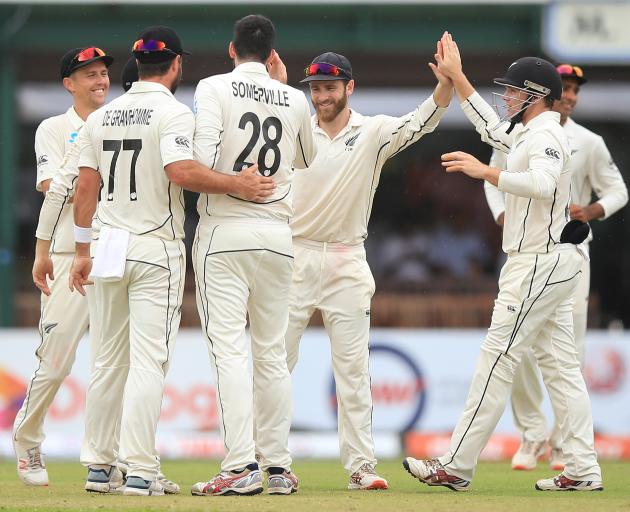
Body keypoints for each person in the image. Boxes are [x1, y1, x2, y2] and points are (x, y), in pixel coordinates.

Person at [69, 25, 275, 497]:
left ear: (137, 64)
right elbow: (181, 172)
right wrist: (236, 184)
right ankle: (140, 468)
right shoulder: (174, 113)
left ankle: (100, 466)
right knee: (147, 362)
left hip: (107, 243)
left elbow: (85, 188)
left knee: (106, 360)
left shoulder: (102, 115)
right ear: (177, 64)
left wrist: (82, 250)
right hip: (154, 246)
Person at [403, 32, 603, 492]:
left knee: (497, 359)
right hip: (546, 262)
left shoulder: (549, 133)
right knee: (560, 368)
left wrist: (487, 171)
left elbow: (543, 183)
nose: (507, 97)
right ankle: (584, 468)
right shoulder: (529, 130)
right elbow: (492, 129)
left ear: (535, 96)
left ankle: (455, 466)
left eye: (514, 91)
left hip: (539, 263)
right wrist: (458, 79)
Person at [269, 46, 451, 490]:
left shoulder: (372, 132)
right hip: (294, 255)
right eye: (314, 88)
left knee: (352, 371)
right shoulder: (295, 128)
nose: (321, 96)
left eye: (330, 87)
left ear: (349, 87)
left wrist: (446, 85)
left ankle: (361, 467)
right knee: (275, 364)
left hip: (347, 258)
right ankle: (270, 462)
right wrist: (273, 88)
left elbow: (420, 122)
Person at [190, 14, 316, 496]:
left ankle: (240, 464)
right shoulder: (293, 97)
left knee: (229, 351)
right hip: (278, 236)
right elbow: (306, 158)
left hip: (225, 229)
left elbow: (200, 159)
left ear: (231, 50)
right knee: (271, 356)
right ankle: (279, 468)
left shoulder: (212, 87)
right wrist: (283, 93)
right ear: (272, 55)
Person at [484, 64, 628, 471]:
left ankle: (565, 446)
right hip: (526, 247)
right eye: (563, 87)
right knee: (518, 349)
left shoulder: (589, 141)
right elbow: (493, 179)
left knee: (569, 352)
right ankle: (532, 435)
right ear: (548, 92)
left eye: (574, 90)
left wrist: (593, 209)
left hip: (571, 251)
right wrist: (502, 218)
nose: (569, 95)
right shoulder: (516, 132)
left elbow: (617, 190)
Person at [13, 46, 115, 488]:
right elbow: (52, 186)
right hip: (65, 254)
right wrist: (91, 180)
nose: (99, 80)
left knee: (118, 363)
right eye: (88, 74)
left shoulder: (122, 121)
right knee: (55, 362)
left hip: (115, 251)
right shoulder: (54, 129)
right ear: (68, 85)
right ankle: (26, 437)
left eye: (103, 73)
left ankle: (115, 459)